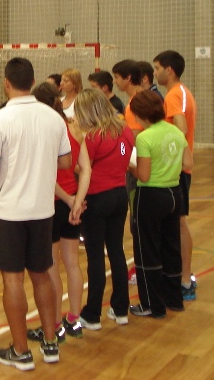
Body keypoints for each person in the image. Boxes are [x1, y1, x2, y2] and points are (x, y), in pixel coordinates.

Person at [0, 57, 72, 371]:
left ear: (6, 83)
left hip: (8, 212)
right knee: (42, 274)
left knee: (13, 280)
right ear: (33, 82)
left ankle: (20, 351)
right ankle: (50, 343)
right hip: (43, 210)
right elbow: (65, 162)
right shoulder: (53, 118)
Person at [26, 82, 90, 343]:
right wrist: (77, 201)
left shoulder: (42, 130)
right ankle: (73, 319)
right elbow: (85, 169)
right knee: (72, 262)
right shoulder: (74, 127)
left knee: (51, 266)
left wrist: (68, 199)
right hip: (71, 201)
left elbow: (44, 174)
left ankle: (53, 325)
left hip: (51, 203)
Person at [128, 90, 192, 319]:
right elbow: (188, 163)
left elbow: (144, 176)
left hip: (151, 196)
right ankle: (174, 299)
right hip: (175, 193)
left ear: (140, 114)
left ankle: (151, 305)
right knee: (171, 247)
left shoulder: (144, 138)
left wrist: (130, 166)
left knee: (147, 251)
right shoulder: (176, 132)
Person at [73, 88, 134, 329]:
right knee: (116, 251)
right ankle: (121, 308)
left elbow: (84, 169)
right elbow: (124, 158)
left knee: (95, 255)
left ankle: (92, 313)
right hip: (120, 195)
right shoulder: (125, 131)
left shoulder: (93, 137)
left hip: (97, 197)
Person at [153, 50, 198, 301]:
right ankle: (179, 276)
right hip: (177, 169)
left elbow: (180, 129)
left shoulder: (174, 95)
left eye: (157, 68)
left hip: (177, 171)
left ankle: (185, 279)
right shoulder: (182, 93)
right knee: (174, 224)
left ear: (169, 70)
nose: (155, 73)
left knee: (179, 224)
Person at [112, 59, 144, 285]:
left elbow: (130, 141)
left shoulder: (135, 104)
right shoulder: (140, 100)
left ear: (128, 78)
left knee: (137, 220)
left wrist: (122, 157)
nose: (115, 82)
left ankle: (141, 267)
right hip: (142, 165)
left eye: (117, 77)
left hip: (137, 167)